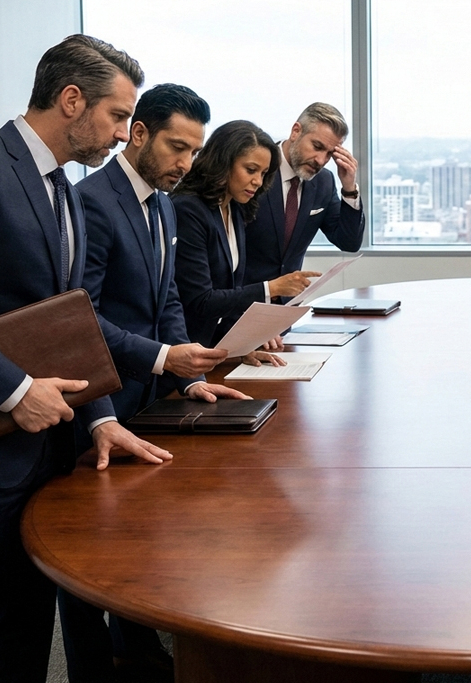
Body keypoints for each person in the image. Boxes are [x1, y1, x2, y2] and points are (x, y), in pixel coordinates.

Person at [0, 34, 172, 682]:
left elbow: (69, 321)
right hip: (7, 437)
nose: (128, 135)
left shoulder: (63, 186)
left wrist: (99, 416)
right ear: (72, 100)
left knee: (26, 631)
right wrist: (16, 389)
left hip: (48, 450)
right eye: (119, 116)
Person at [67, 83, 252, 683]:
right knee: (89, 557)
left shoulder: (165, 203)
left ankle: (138, 647)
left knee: (141, 541)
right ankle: (102, 664)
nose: (186, 164)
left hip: (152, 392)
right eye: (176, 147)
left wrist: (187, 370)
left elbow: (167, 296)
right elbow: (83, 314)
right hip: (101, 397)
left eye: (194, 152)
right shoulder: (91, 200)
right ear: (139, 133)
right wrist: (161, 356)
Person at [171, 120, 312, 355]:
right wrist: (271, 287)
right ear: (224, 163)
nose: (258, 181)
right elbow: (201, 300)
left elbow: (230, 291)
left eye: (264, 173)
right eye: (250, 170)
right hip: (185, 351)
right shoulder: (188, 209)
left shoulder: (235, 208)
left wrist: (243, 346)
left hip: (213, 347)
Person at [244, 102, 364, 299]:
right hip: (240, 304)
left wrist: (349, 188)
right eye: (317, 147)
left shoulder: (324, 181)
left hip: (286, 309)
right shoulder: (257, 169)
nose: (320, 160)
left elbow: (349, 242)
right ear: (296, 131)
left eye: (329, 154)